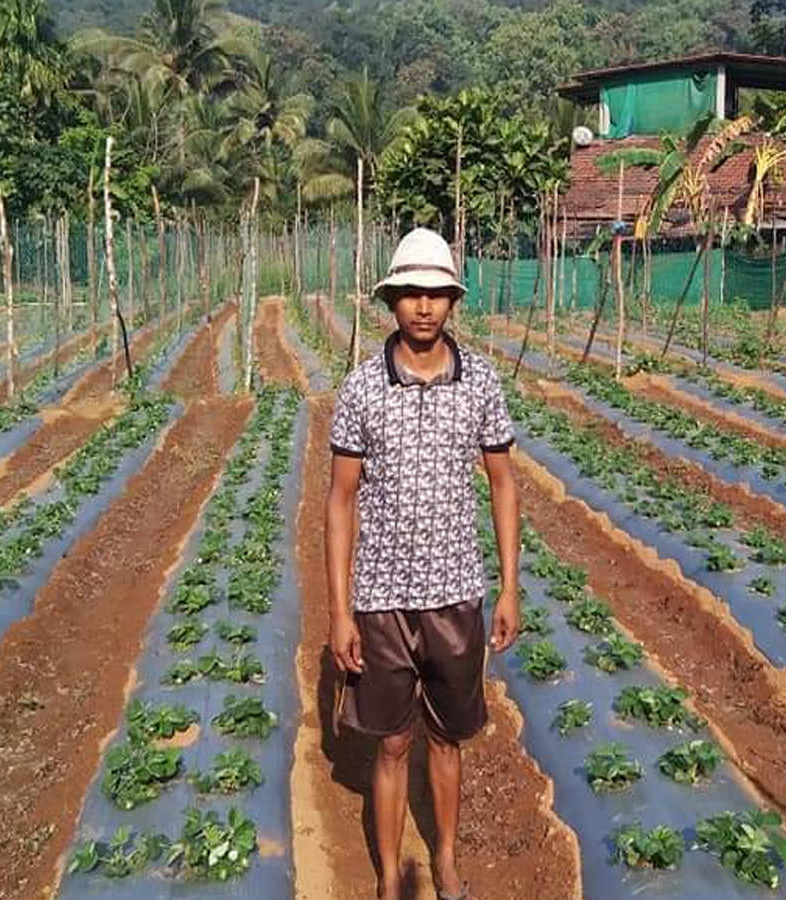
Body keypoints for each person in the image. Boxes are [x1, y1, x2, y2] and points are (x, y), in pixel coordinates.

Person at [325, 227, 521, 900]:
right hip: (381, 599)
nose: (424, 306)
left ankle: (444, 861)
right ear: (392, 301)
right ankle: (386, 877)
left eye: (436, 292)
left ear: (452, 301)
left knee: (447, 741)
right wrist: (339, 611)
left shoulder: (483, 384)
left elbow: (503, 483)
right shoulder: (360, 389)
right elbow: (340, 501)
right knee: (390, 746)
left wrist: (509, 588)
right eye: (411, 292)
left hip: (457, 596)